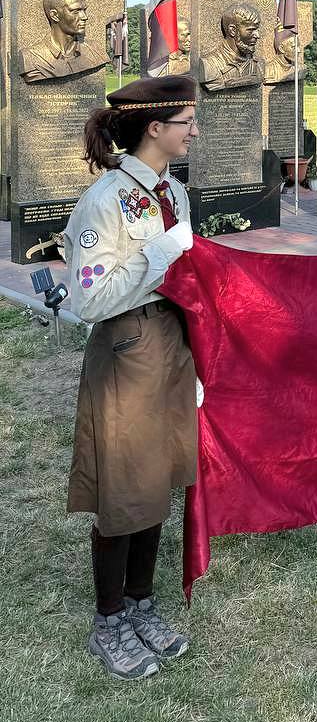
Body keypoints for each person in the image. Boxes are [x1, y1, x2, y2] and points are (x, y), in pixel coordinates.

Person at [64, 75, 199, 680]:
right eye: (186, 123)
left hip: (170, 344)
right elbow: (88, 300)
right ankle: (109, 619)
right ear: (155, 127)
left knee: (159, 476)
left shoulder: (174, 192)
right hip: (126, 349)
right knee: (123, 489)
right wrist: (158, 255)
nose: (194, 132)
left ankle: (142, 602)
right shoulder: (106, 200)